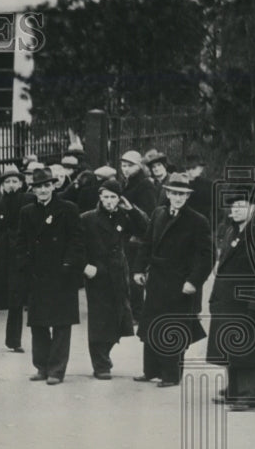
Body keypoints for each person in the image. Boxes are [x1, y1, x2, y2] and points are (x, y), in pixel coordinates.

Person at [132, 174, 213, 387]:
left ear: (188, 197)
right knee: (151, 326)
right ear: (167, 193)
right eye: (174, 193)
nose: (178, 198)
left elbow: (207, 256)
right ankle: (150, 371)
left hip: (180, 284)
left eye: (182, 194)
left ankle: (171, 375)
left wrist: (193, 281)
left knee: (173, 327)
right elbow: (146, 244)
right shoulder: (158, 213)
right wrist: (139, 269)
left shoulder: (198, 220)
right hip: (157, 280)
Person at [206, 191, 255, 410]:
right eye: (233, 206)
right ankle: (234, 392)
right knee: (231, 348)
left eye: (240, 205)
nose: (235, 210)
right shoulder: (230, 231)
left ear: (253, 209)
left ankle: (249, 396)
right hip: (227, 302)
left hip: (247, 304)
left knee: (249, 350)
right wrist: (215, 298)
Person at [17, 167, 85, 385]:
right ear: (33, 190)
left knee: (61, 324)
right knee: (38, 323)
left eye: (47, 185)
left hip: (62, 275)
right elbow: (21, 242)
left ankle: (56, 370)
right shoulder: (27, 212)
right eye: (39, 187)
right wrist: (25, 265)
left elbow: (77, 240)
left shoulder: (68, 209)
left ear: (54, 186)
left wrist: (68, 265)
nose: (43, 190)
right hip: (37, 274)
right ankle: (42, 367)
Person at [80, 179, 149, 379]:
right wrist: (85, 266)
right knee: (99, 320)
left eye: (113, 197)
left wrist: (132, 210)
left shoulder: (123, 216)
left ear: (119, 199)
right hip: (97, 274)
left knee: (120, 317)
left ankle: (105, 355)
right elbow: (77, 244)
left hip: (118, 273)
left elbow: (146, 231)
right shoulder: (88, 218)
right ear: (99, 197)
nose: (109, 201)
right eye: (105, 196)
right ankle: (100, 364)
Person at [0, 164, 31, 353]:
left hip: (18, 256)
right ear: (1, 185)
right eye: (7, 182)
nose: (11, 185)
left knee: (16, 298)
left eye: (15, 181)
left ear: (21, 183)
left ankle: (14, 340)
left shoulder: (27, 201)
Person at [120, 150, 158, 322]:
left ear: (139, 166)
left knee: (135, 275)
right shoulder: (128, 183)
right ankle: (132, 311)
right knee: (127, 274)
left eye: (129, 165)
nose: (125, 169)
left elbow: (149, 216)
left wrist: (131, 211)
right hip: (127, 235)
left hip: (138, 237)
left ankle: (137, 313)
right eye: (123, 165)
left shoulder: (144, 185)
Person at [184, 154, 214, 223]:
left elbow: (214, 207)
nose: (201, 170)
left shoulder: (207, 184)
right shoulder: (181, 183)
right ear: (189, 169)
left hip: (203, 222)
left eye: (201, 168)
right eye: (199, 167)